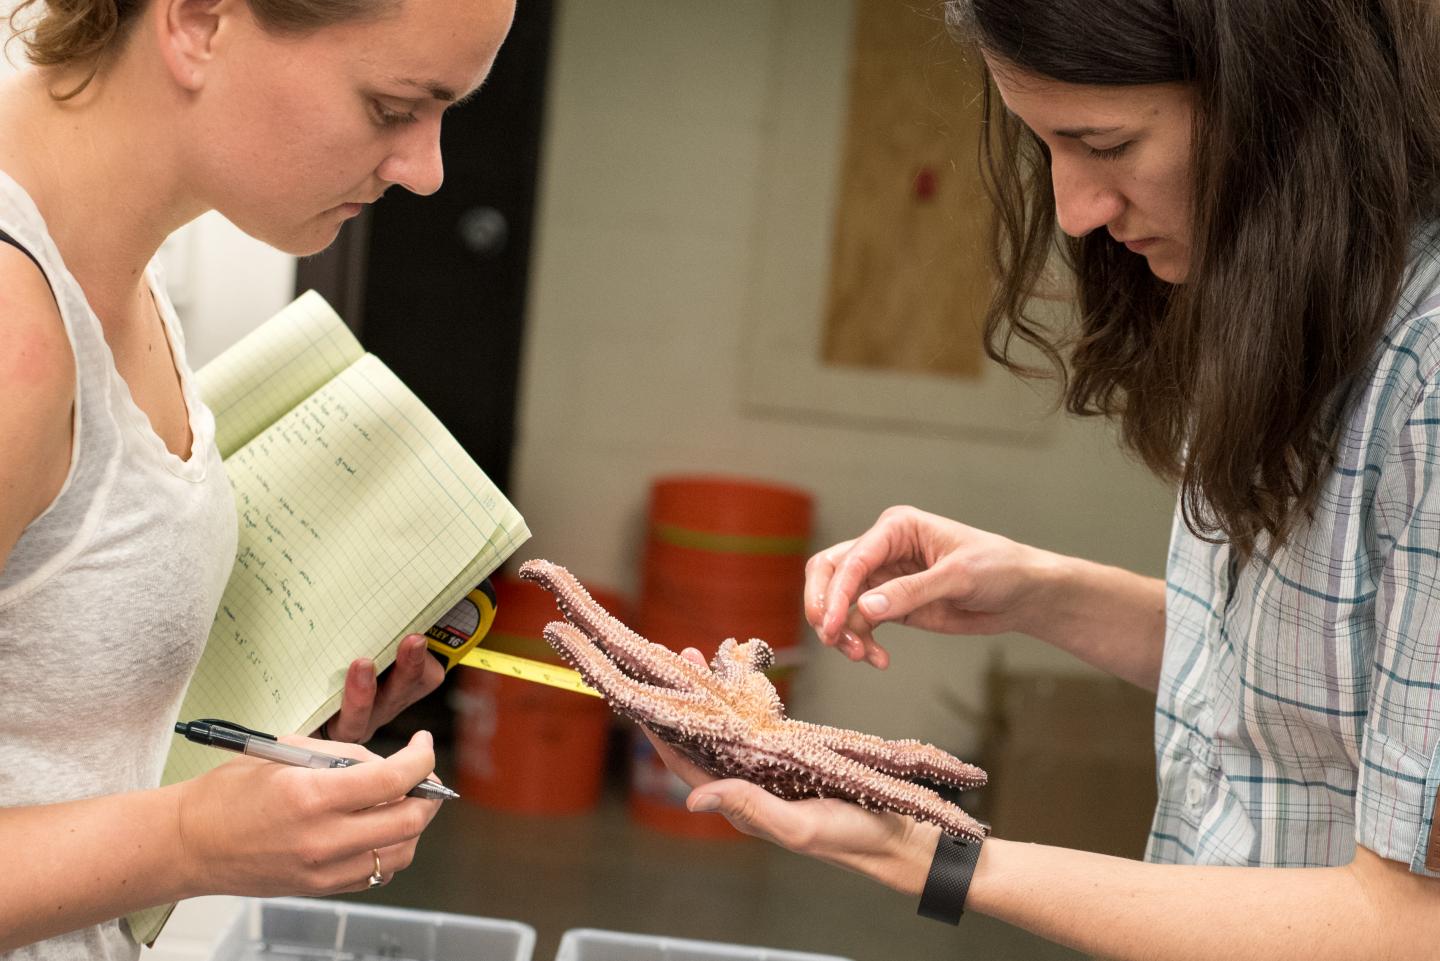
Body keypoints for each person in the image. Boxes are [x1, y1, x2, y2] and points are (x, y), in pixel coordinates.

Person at [653, 1, 1440, 958]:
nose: (1075, 211)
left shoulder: (1426, 375)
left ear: (1281, 99)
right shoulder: (1283, 287)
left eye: (1105, 142)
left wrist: (932, 855)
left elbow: (1413, 919)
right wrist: (1041, 592)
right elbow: (1314, 687)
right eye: (1045, 147)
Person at [0, 0, 513, 955]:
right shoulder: (12, 334)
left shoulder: (111, 261)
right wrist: (193, 838)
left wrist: (276, 719)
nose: (427, 168)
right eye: (394, 106)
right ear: (198, 23)